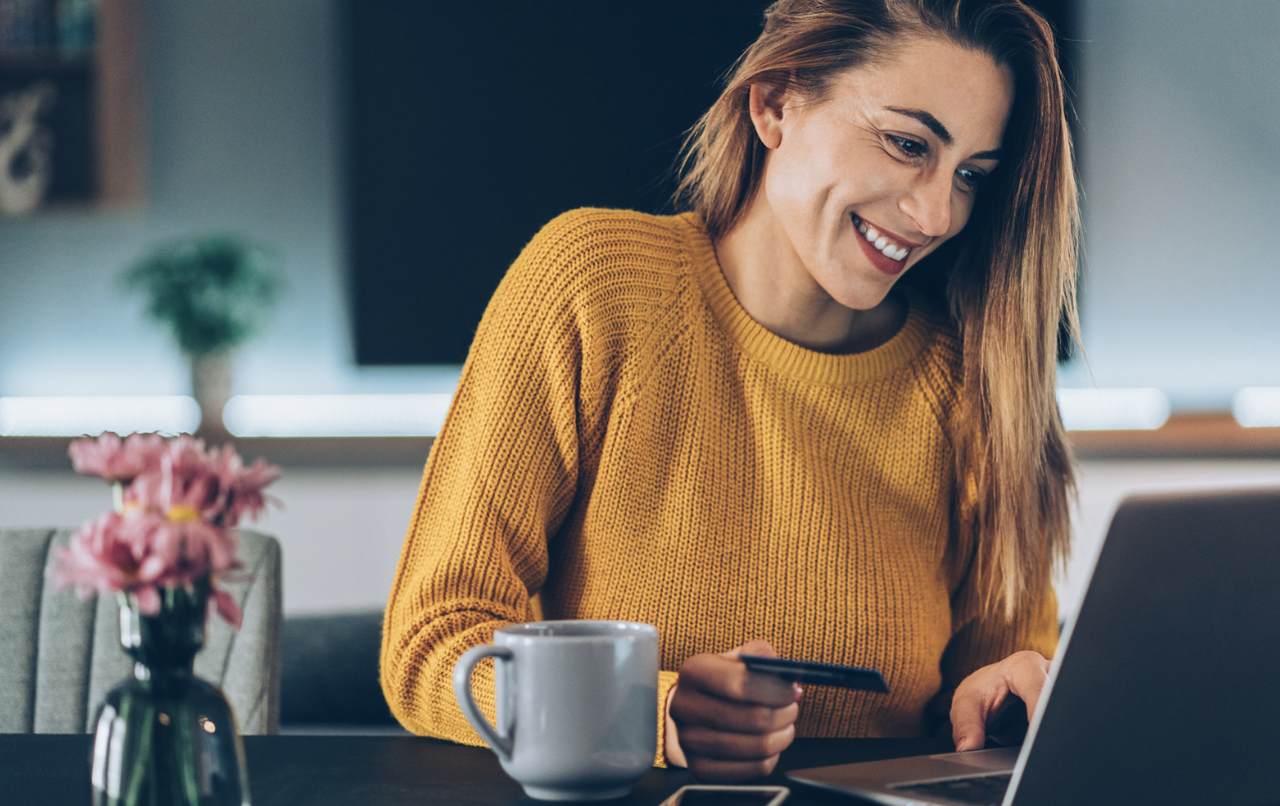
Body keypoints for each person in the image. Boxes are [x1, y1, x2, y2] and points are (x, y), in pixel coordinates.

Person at [380, 0, 1080, 783]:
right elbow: (432, 642)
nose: (936, 212)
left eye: (971, 177)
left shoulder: (973, 374)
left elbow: (1001, 687)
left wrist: (1006, 696)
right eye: (907, 143)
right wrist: (652, 713)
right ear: (775, 103)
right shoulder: (593, 288)